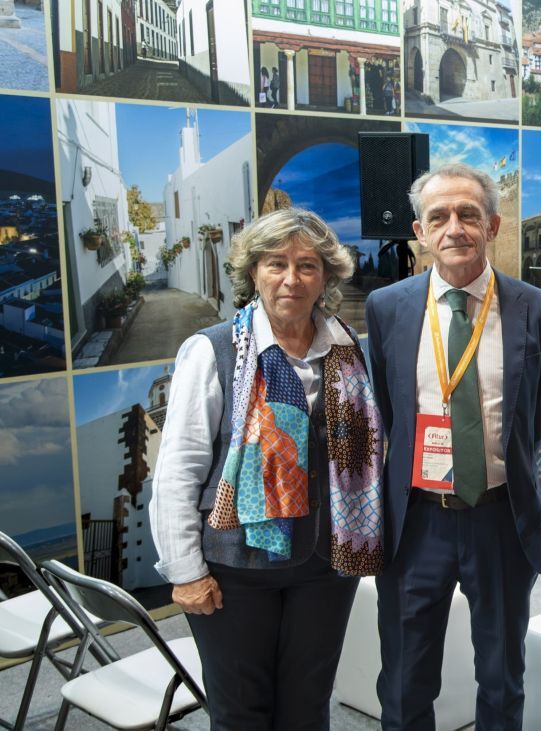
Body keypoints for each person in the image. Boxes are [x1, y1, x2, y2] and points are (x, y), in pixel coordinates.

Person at [150, 208, 385, 730]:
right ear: (253, 271)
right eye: (276, 263)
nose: (291, 278)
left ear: (326, 276)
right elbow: (178, 470)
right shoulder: (212, 351)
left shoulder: (347, 349)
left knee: (308, 706)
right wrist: (185, 572)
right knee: (241, 713)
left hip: (327, 561)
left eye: (307, 265)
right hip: (236, 568)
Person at [366, 163, 541, 730]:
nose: (454, 227)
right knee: (405, 682)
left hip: (499, 520)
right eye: (439, 217)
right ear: (419, 231)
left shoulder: (540, 311)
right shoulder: (388, 308)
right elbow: (387, 408)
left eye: (468, 214)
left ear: (493, 225)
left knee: (503, 680)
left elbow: (536, 415)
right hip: (415, 523)